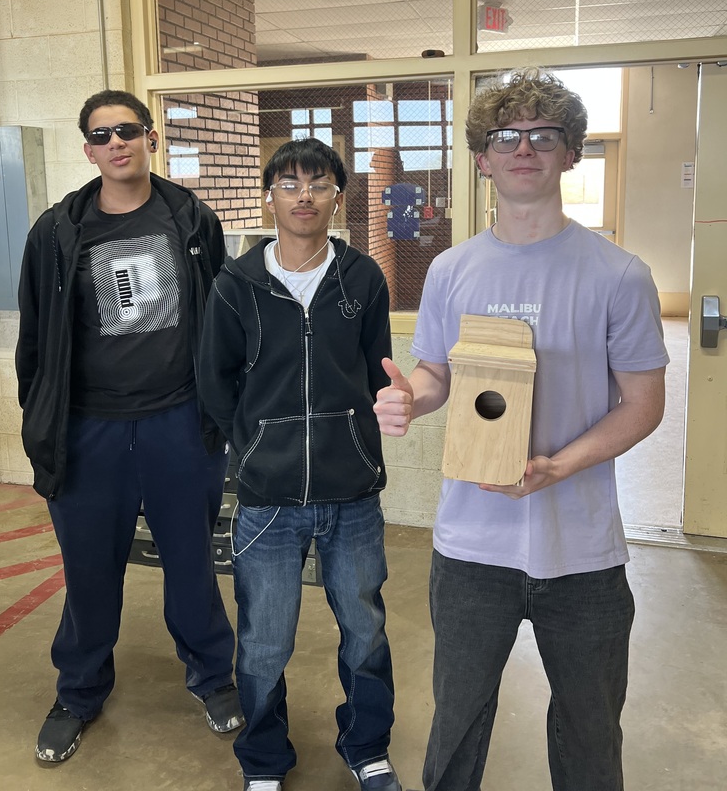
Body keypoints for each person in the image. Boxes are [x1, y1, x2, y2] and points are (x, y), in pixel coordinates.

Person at [373, 69, 668, 791]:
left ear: (571, 154)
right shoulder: (450, 270)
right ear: (482, 158)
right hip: (471, 547)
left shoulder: (618, 274)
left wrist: (559, 466)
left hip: (583, 552)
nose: (524, 148)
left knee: (591, 729)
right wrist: (413, 397)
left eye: (545, 135)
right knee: (458, 720)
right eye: (506, 135)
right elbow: (439, 375)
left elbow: (643, 403)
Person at [15, 89, 243, 765]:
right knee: (89, 572)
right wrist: (43, 421)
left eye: (128, 130)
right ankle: (79, 691)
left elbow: (221, 320)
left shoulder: (192, 220)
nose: (117, 143)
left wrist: (222, 410)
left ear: (149, 139)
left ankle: (212, 676)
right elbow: (35, 344)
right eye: (102, 135)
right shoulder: (57, 233)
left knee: (191, 562)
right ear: (88, 150)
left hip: (179, 423)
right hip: (91, 432)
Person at [198, 137, 401, 791]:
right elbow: (214, 379)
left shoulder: (362, 278)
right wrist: (254, 445)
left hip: (352, 495)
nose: (304, 195)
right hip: (267, 499)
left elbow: (378, 378)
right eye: (290, 183)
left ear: (338, 196)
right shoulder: (237, 284)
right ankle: (263, 760)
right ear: (271, 196)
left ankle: (366, 746)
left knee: (365, 629)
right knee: (263, 642)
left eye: (318, 183)